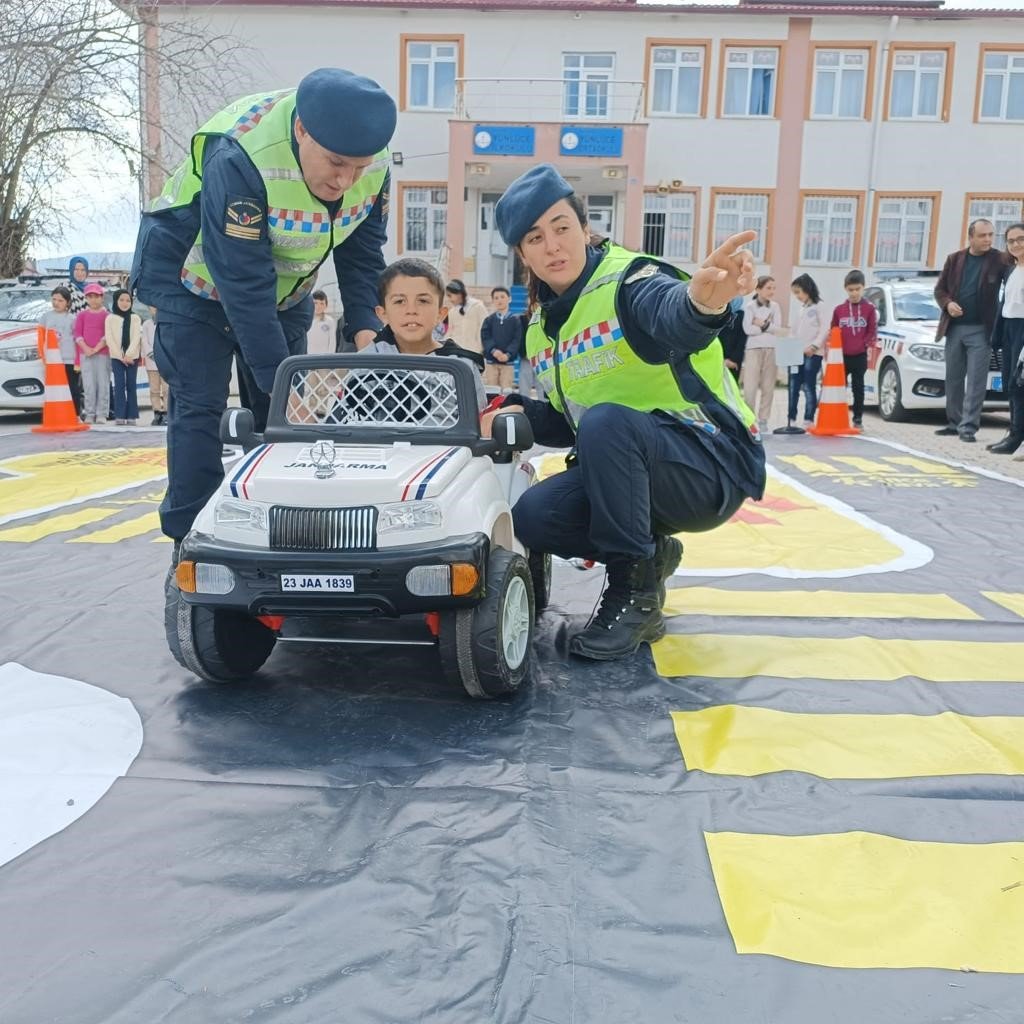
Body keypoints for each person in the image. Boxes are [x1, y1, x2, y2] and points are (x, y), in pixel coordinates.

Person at [485, 164, 766, 661]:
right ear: (522, 254)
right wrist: (507, 409)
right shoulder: (540, 329)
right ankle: (654, 556)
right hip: (634, 466)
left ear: (585, 229)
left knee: (607, 423)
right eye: (534, 238)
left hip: (710, 463)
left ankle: (633, 594)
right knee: (534, 515)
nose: (552, 245)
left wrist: (703, 303)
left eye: (561, 228)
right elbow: (563, 421)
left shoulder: (629, 280)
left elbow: (672, 313)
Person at [130, 67, 396, 550]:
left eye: (358, 167)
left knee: (281, 420)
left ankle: (280, 533)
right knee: (202, 410)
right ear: (301, 131)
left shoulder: (372, 165)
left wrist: (368, 333)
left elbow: (362, 254)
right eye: (336, 163)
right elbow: (243, 283)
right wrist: (282, 378)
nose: (346, 179)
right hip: (194, 282)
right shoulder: (242, 156)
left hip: (284, 288)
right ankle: (193, 543)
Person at [344, 258, 486, 419]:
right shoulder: (365, 362)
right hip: (380, 443)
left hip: (443, 444)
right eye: (399, 301)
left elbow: (479, 424)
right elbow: (348, 421)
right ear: (382, 314)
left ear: (441, 314)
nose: (411, 310)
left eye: (423, 301)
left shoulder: (462, 365)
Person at [933, 219, 1009, 443]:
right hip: (954, 328)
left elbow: (1015, 279)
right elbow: (940, 290)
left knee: (976, 380)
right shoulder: (954, 259)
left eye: (991, 235)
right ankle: (954, 422)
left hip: (982, 330)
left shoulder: (1000, 259)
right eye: (983, 235)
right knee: (953, 378)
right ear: (971, 237)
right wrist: (947, 304)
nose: (988, 240)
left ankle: (968, 427)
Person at [988, 223, 1024, 455]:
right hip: (1010, 330)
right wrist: (997, 336)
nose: (1016, 244)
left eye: (1020, 239)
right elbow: (1005, 305)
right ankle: (1013, 432)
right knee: (1011, 385)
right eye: (1011, 241)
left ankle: (1017, 437)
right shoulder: (1011, 270)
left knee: (1020, 385)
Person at [831, 269, 878, 429]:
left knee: (858, 388)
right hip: (841, 356)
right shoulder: (839, 310)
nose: (854, 293)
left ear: (863, 288)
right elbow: (834, 330)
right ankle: (838, 416)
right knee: (839, 388)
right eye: (851, 290)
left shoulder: (870, 309)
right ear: (846, 289)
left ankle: (857, 419)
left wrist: (863, 344)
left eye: (857, 289)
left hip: (859, 355)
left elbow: (872, 331)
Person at [741, 275, 784, 433]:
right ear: (758, 289)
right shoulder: (750, 306)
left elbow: (777, 329)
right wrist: (767, 327)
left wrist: (761, 324)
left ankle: (764, 419)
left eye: (773, 288)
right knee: (750, 387)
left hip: (771, 349)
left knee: (768, 386)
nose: (771, 291)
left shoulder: (776, 307)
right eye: (768, 288)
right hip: (753, 349)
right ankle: (749, 419)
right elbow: (747, 329)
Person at [789, 273, 829, 427]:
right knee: (794, 385)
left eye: (798, 292)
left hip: (813, 354)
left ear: (807, 289)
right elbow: (794, 330)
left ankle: (808, 418)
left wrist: (814, 346)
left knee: (808, 385)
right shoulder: (802, 309)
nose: (797, 296)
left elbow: (825, 328)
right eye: (795, 293)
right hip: (796, 353)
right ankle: (791, 418)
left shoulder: (820, 306)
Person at [42, 286, 82, 418]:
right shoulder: (45, 317)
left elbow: (78, 340)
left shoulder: (72, 318)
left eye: (60, 300)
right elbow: (41, 338)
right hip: (53, 361)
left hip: (69, 359)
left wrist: (78, 361)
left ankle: (76, 414)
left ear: (68, 303)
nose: (56, 303)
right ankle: (58, 415)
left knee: (72, 388)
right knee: (54, 390)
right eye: (54, 299)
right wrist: (43, 356)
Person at [74, 283, 111, 424]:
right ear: (86, 299)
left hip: (103, 354)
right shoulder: (81, 315)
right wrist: (86, 349)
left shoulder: (107, 315)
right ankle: (89, 413)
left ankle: (102, 413)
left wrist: (96, 349)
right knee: (88, 385)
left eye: (96, 296)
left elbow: (108, 335)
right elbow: (77, 334)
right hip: (85, 355)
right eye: (90, 297)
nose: (93, 300)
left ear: (102, 298)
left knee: (103, 383)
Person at [105, 289, 142, 425]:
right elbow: (109, 339)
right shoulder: (110, 318)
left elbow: (137, 337)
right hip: (116, 357)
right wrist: (121, 356)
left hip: (132, 357)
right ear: (115, 301)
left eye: (128, 300)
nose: (125, 303)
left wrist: (128, 355)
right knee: (119, 385)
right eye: (121, 300)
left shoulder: (136, 318)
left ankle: (132, 415)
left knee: (131, 384)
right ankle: (120, 415)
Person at [481, 286, 523, 390]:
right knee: (491, 390)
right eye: (496, 298)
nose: (499, 300)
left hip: (508, 363)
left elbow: (517, 339)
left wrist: (508, 354)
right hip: (491, 362)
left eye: (502, 297)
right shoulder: (489, 320)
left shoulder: (515, 320)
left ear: (509, 299)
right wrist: (493, 350)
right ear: (492, 301)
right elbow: (485, 337)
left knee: (506, 391)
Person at [443, 279, 487, 356]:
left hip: (474, 352)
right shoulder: (452, 311)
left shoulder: (478, 306)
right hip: (456, 352)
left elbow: (484, 328)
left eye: (450, 296)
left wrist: (480, 348)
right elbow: (450, 331)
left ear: (459, 293)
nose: (449, 299)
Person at [141, 308, 169, 426]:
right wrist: (152, 354)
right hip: (151, 363)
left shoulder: (166, 322)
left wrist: (163, 354)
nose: (155, 309)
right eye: (152, 307)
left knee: (167, 389)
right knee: (154, 390)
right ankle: (157, 413)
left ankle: (168, 413)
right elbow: (144, 341)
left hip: (165, 362)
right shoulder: (147, 324)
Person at [307, 290, 337, 355]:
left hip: (324, 359)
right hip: (308, 357)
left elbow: (332, 342)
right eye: (315, 303)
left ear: (326, 305)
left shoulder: (329, 321)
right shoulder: (306, 320)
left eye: (322, 303)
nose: (318, 306)